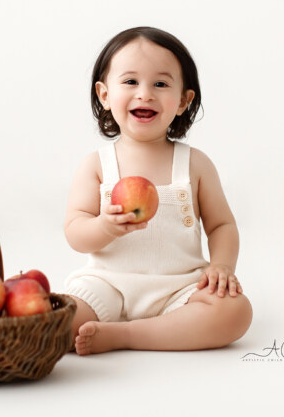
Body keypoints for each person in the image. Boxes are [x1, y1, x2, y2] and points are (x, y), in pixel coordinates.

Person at [63, 26, 252, 355]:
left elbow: (222, 224)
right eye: (131, 81)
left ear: (183, 100)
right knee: (53, 317)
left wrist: (222, 266)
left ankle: (127, 335)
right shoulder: (96, 165)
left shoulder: (194, 164)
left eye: (160, 84)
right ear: (104, 94)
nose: (145, 94)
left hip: (179, 287)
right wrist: (104, 226)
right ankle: (114, 326)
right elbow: (75, 233)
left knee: (235, 312)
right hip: (107, 284)